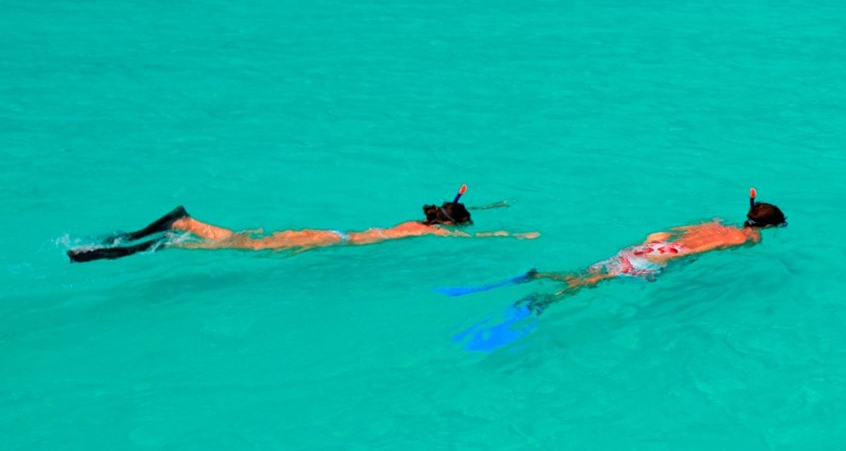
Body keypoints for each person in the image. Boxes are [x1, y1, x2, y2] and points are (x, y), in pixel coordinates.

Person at [448, 190, 785, 350]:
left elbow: (671, 232)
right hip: (661, 258)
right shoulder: (745, 237)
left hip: (645, 248)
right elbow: (710, 247)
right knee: (590, 284)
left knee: (591, 271)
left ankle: (538, 275)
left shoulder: (712, 221)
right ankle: (543, 300)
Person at [67, 187, 536, 262]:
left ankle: (174, 230)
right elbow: (475, 230)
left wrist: (479, 203)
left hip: (328, 235)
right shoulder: (430, 230)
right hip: (327, 242)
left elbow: (454, 213)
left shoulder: (422, 221)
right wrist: (515, 235)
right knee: (239, 248)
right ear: (451, 225)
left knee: (234, 243)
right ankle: (168, 234)